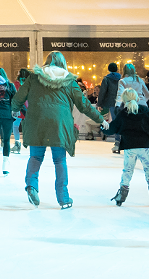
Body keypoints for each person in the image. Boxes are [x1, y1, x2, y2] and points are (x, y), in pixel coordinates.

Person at [11, 51, 109, 209]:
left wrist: (15, 109)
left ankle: (31, 186)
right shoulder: (69, 80)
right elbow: (84, 105)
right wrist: (101, 119)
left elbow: (19, 97)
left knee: (36, 157)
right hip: (60, 124)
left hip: (37, 121)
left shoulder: (34, 76)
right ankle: (63, 198)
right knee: (59, 160)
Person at [107, 86, 149, 207]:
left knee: (127, 170)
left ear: (124, 100)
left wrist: (103, 127)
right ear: (136, 98)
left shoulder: (123, 114)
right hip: (145, 146)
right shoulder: (144, 110)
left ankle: (122, 195)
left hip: (130, 147)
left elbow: (112, 128)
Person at [112, 63, 149, 154]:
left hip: (129, 106)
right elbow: (148, 94)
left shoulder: (123, 81)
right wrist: (143, 101)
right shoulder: (140, 80)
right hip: (142, 106)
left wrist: (117, 105)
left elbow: (120, 94)